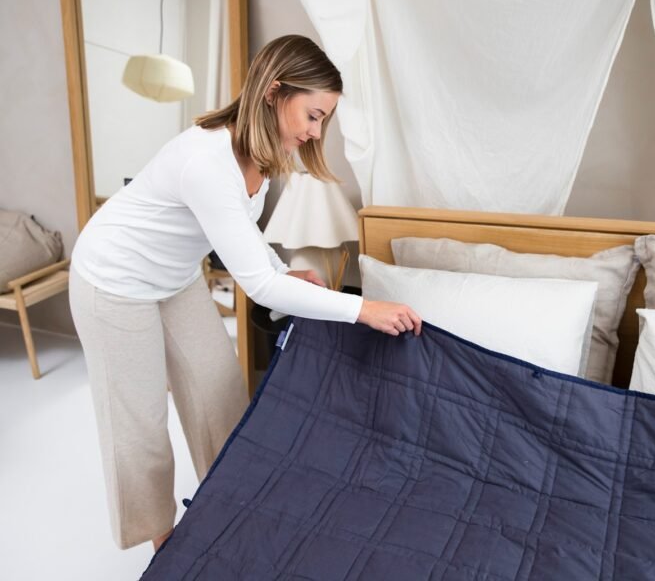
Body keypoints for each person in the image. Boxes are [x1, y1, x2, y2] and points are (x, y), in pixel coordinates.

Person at [68, 35, 422, 552]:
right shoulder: (206, 160)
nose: (315, 131)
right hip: (114, 280)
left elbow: (242, 238)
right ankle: (163, 543)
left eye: (323, 120)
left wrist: (284, 271)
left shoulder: (263, 150)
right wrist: (364, 308)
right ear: (275, 91)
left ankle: (233, 506)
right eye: (313, 115)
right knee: (140, 426)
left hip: (175, 277)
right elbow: (256, 286)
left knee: (221, 397)